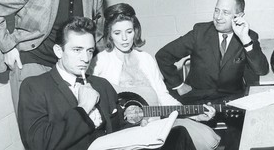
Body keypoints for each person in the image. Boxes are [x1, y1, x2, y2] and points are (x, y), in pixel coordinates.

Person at [18, 16, 197, 150]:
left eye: (89, 51)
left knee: (179, 137)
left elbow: (118, 123)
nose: (85, 58)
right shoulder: (35, 87)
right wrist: (83, 109)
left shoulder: (100, 84)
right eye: (77, 50)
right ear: (59, 51)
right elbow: (38, 144)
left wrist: (135, 124)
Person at [88, 3, 221, 150]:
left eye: (129, 31)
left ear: (136, 31)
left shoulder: (146, 59)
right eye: (117, 33)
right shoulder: (100, 61)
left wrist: (193, 114)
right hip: (121, 131)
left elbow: (163, 97)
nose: (125, 38)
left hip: (155, 124)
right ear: (109, 35)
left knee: (196, 136)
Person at [155, 0, 269, 150]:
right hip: (195, 98)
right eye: (217, 10)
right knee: (177, 136)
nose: (218, 17)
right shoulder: (200, 32)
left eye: (226, 12)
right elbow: (163, 55)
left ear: (239, 15)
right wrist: (178, 85)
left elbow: (261, 70)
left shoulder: (248, 36)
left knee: (245, 138)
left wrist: (245, 40)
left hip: (230, 102)